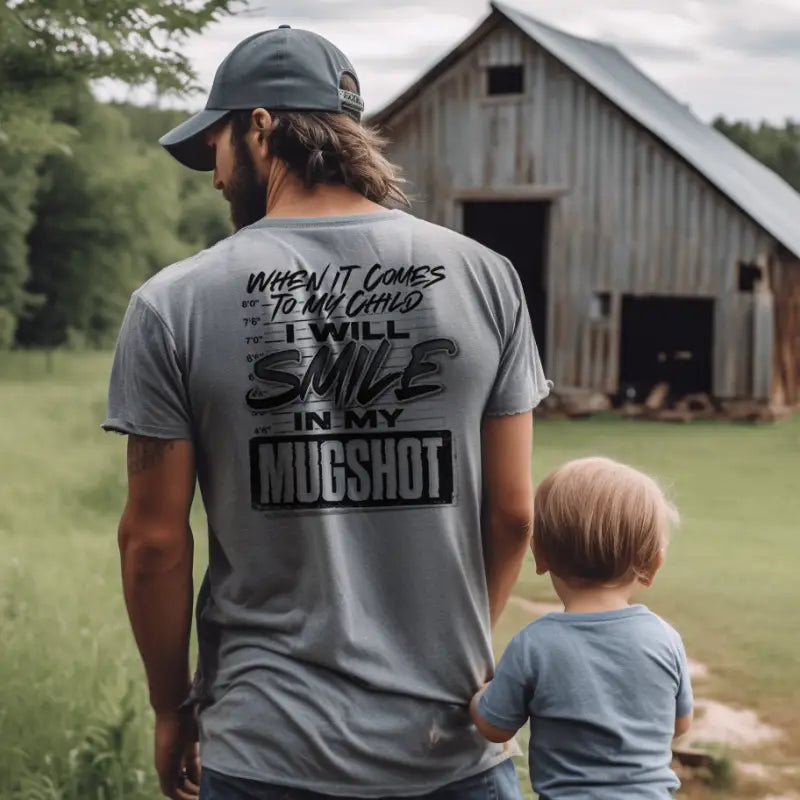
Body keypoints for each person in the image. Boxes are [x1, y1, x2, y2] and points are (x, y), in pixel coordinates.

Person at [103, 24, 550, 800]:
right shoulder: (486, 277)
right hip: (450, 750)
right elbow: (512, 513)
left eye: (214, 147)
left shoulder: (173, 303)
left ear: (261, 127)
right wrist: (456, 650)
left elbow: (153, 543)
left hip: (266, 750)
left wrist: (171, 706)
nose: (213, 176)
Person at [470, 457, 693, 799]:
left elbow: (494, 726)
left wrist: (480, 696)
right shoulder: (664, 638)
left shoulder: (535, 644)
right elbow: (679, 725)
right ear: (653, 564)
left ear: (539, 555)